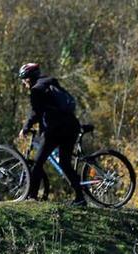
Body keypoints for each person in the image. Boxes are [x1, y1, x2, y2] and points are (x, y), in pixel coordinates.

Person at [17, 62, 86, 206]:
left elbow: (36, 113)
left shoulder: (37, 90)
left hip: (54, 130)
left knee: (37, 164)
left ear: (28, 78)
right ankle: (80, 198)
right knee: (65, 164)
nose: (24, 84)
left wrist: (25, 127)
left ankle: (32, 197)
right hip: (71, 126)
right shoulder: (51, 83)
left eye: (23, 80)